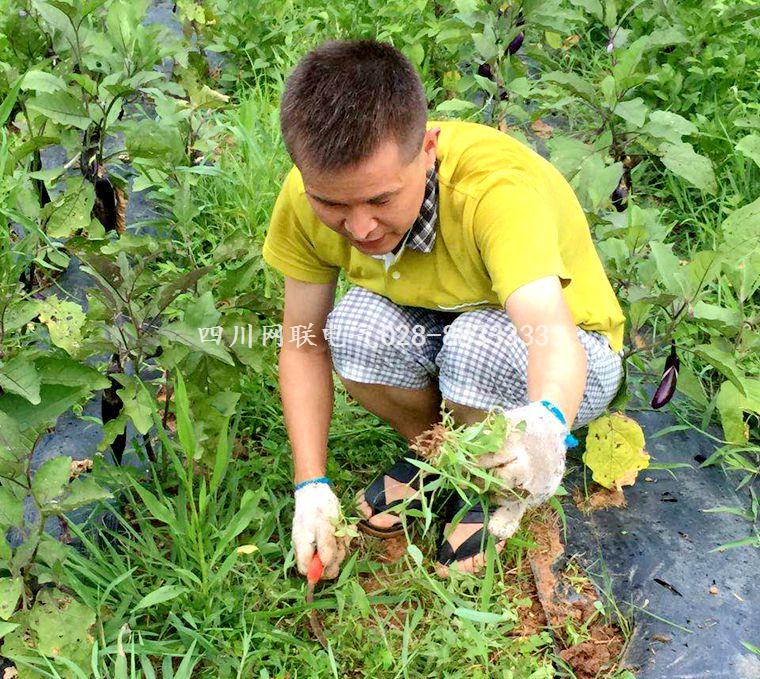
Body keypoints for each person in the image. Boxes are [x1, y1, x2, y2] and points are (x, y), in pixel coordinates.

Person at [262, 39, 625, 579]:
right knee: (355, 331)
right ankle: (441, 456)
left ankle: (500, 483)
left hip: (572, 356)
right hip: (446, 325)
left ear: (428, 148)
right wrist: (310, 486)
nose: (359, 227)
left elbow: (552, 337)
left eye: (381, 200)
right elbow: (301, 342)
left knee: (474, 344)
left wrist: (546, 427)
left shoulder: (494, 192)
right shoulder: (306, 195)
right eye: (333, 204)